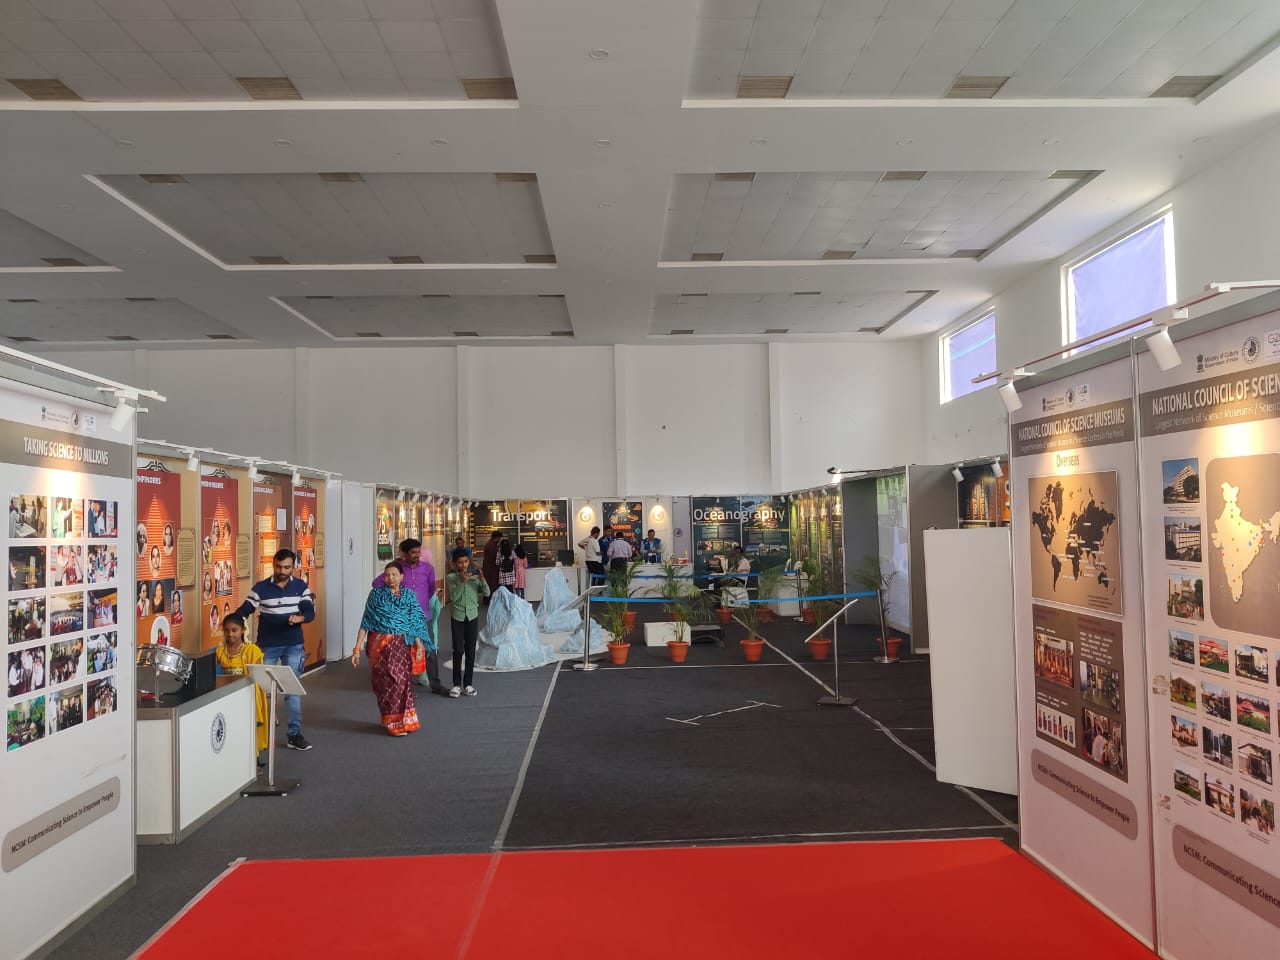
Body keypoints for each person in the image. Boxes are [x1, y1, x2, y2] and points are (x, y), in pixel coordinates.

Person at [234, 549, 316, 751]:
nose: (282, 571)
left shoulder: (300, 586)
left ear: (293, 567)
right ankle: (254, 732)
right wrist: (233, 626)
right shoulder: (261, 588)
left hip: (293, 644)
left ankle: (294, 735)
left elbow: (309, 611)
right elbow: (244, 610)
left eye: (287, 567)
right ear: (273, 565)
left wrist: (301, 617)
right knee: (259, 689)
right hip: (267, 645)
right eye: (278, 567)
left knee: (291, 691)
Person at [351, 560, 431, 736]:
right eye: (387, 575)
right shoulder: (376, 595)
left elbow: (414, 622)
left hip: (401, 645)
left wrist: (419, 644)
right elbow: (366, 621)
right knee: (386, 683)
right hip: (379, 646)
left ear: (402, 576)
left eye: (394, 574)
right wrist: (357, 649)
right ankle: (392, 722)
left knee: (402, 682)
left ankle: (405, 720)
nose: (390, 578)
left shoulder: (409, 596)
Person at [371, 538, 444, 695]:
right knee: (404, 653)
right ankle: (405, 688)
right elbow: (376, 583)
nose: (417, 555)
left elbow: (431, 590)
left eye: (418, 552)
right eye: (413, 552)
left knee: (430, 650)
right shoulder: (397, 570)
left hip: (422, 617)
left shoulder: (428, 569)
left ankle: (436, 685)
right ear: (404, 554)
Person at [214, 613, 269, 756]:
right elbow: (209, 672)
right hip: (227, 693)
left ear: (243, 630)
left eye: (234, 630)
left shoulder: (252, 650)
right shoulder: (220, 651)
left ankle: (252, 757)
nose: (230, 634)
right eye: (227, 631)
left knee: (247, 727)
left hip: (248, 694)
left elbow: (258, 677)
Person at [445, 547, 489, 697]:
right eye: (460, 562)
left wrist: (482, 579)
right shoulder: (451, 578)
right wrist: (462, 582)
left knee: (470, 650)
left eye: (465, 561)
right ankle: (456, 685)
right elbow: (454, 598)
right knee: (458, 650)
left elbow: (487, 592)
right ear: (454, 563)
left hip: (472, 616)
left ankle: (468, 684)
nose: (463, 565)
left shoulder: (474, 577)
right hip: (457, 617)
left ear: (469, 562)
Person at [481, 530, 502, 596]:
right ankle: (490, 599)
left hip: (489, 569)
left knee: (489, 585)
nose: (499, 540)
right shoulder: (491, 545)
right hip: (491, 569)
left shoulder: (490, 544)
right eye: (499, 538)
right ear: (496, 537)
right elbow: (495, 557)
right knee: (492, 586)